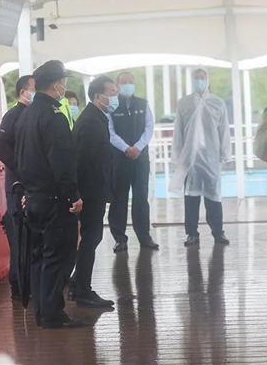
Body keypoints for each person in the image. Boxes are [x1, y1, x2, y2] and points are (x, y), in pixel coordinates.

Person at [14, 60, 87, 328]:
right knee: (60, 257)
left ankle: (42, 312)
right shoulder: (54, 116)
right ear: (57, 84)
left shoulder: (26, 115)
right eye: (63, 81)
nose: (64, 86)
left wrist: (27, 190)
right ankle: (53, 314)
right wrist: (73, 195)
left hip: (34, 199)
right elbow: (62, 162)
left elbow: (20, 157)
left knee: (39, 257)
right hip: (55, 201)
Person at [70, 76, 118, 308]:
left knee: (92, 237)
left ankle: (78, 284)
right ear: (99, 96)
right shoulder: (91, 122)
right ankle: (81, 290)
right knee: (91, 237)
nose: (116, 97)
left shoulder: (96, 118)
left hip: (94, 189)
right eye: (112, 92)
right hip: (90, 191)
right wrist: (81, 193)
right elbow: (84, 161)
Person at [170, 67, 232, 247]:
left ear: (207, 79)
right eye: (196, 77)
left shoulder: (217, 103)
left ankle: (218, 232)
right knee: (191, 197)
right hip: (191, 158)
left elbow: (224, 130)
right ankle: (192, 233)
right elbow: (178, 131)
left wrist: (225, 153)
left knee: (213, 196)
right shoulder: (184, 103)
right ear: (192, 80)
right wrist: (178, 156)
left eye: (202, 77)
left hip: (211, 157)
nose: (199, 81)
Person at [0, 75, 35, 300]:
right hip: (18, 187)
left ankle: (27, 282)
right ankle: (18, 285)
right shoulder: (15, 115)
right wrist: (21, 167)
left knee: (29, 236)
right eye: (33, 88)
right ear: (22, 92)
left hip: (28, 185)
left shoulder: (31, 114)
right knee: (20, 236)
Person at [108, 71, 159, 252]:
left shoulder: (143, 104)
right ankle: (119, 239)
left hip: (140, 158)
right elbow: (110, 131)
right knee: (118, 199)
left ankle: (144, 237)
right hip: (119, 159)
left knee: (141, 198)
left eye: (130, 82)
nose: (128, 85)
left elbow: (149, 127)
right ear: (117, 85)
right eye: (124, 82)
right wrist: (126, 148)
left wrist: (137, 147)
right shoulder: (112, 106)